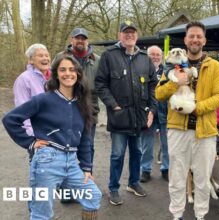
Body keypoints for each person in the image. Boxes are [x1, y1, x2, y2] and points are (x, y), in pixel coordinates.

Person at [2, 55, 102, 220]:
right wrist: (30, 142)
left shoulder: (82, 103)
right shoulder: (43, 100)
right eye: (62, 70)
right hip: (46, 162)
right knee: (42, 214)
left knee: (92, 196)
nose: (67, 73)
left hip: (72, 163)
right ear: (55, 74)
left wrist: (86, 167)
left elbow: (85, 138)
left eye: (72, 69)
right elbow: (10, 119)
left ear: (78, 73)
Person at [156, 21, 219, 220]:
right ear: (185, 40)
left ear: (204, 40)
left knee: (203, 179)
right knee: (177, 178)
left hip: (205, 132)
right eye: (191, 36)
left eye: (198, 36)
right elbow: (159, 93)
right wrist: (176, 82)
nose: (195, 39)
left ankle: (200, 215)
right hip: (177, 129)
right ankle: (176, 215)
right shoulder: (172, 63)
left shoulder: (215, 67)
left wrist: (197, 108)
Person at [95, 20, 158, 205]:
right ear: (120, 35)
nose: (129, 35)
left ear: (137, 36)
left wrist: (152, 109)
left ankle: (133, 182)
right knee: (117, 154)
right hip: (119, 116)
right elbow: (101, 84)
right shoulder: (109, 56)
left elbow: (153, 85)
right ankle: (113, 188)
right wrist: (112, 104)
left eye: (132, 32)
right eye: (125, 32)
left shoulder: (145, 58)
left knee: (137, 151)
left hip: (139, 116)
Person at [55, 27, 100, 168]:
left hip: (89, 110)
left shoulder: (97, 60)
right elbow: (52, 81)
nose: (80, 40)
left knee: (88, 146)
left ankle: (87, 177)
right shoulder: (60, 57)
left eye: (83, 38)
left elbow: (103, 83)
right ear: (71, 39)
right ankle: (66, 179)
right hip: (65, 109)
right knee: (65, 145)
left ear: (87, 41)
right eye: (77, 37)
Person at [140, 45, 169, 182]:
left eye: (158, 55)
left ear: (162, 57)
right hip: (148, 113)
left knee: (166, 143)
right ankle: (145, 170)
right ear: (147, 56)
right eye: (153, 54)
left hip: (165, 112)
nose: (156, 57)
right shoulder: (141, 70)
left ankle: (166, 169)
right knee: (147, 144)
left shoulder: (168, 72)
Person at [13, 43, 51, 136]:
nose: (45, 58)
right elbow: (22, 109)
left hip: (57, 132)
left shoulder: (56, 77)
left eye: (47, 55)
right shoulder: (24, 79)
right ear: (31, 60)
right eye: (40, 55)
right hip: (38, 133)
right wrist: (32, 135)